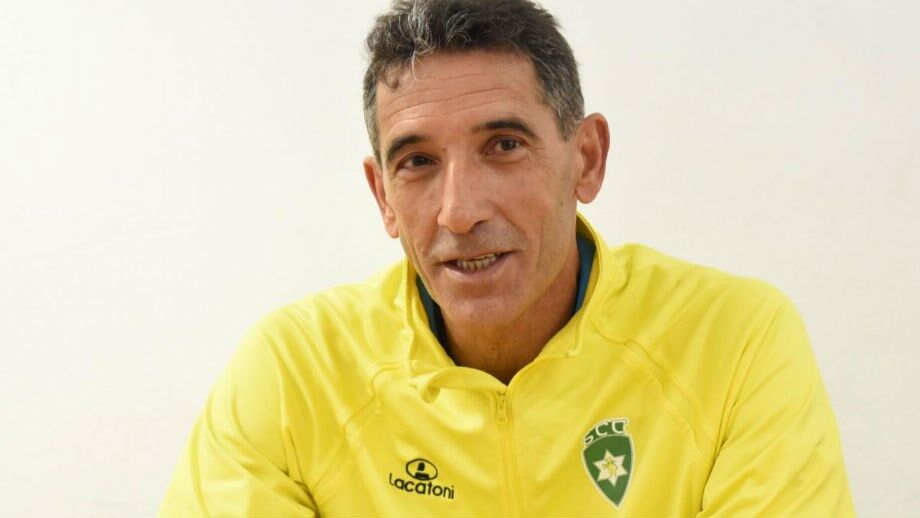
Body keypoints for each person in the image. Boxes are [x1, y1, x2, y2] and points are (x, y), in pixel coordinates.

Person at [159, 0, 854, 515]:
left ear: (586, 159)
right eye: (417, 161)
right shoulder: (294, 372)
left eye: (504, 146)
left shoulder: (735, 341)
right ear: (382, 197)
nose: (458, 211)